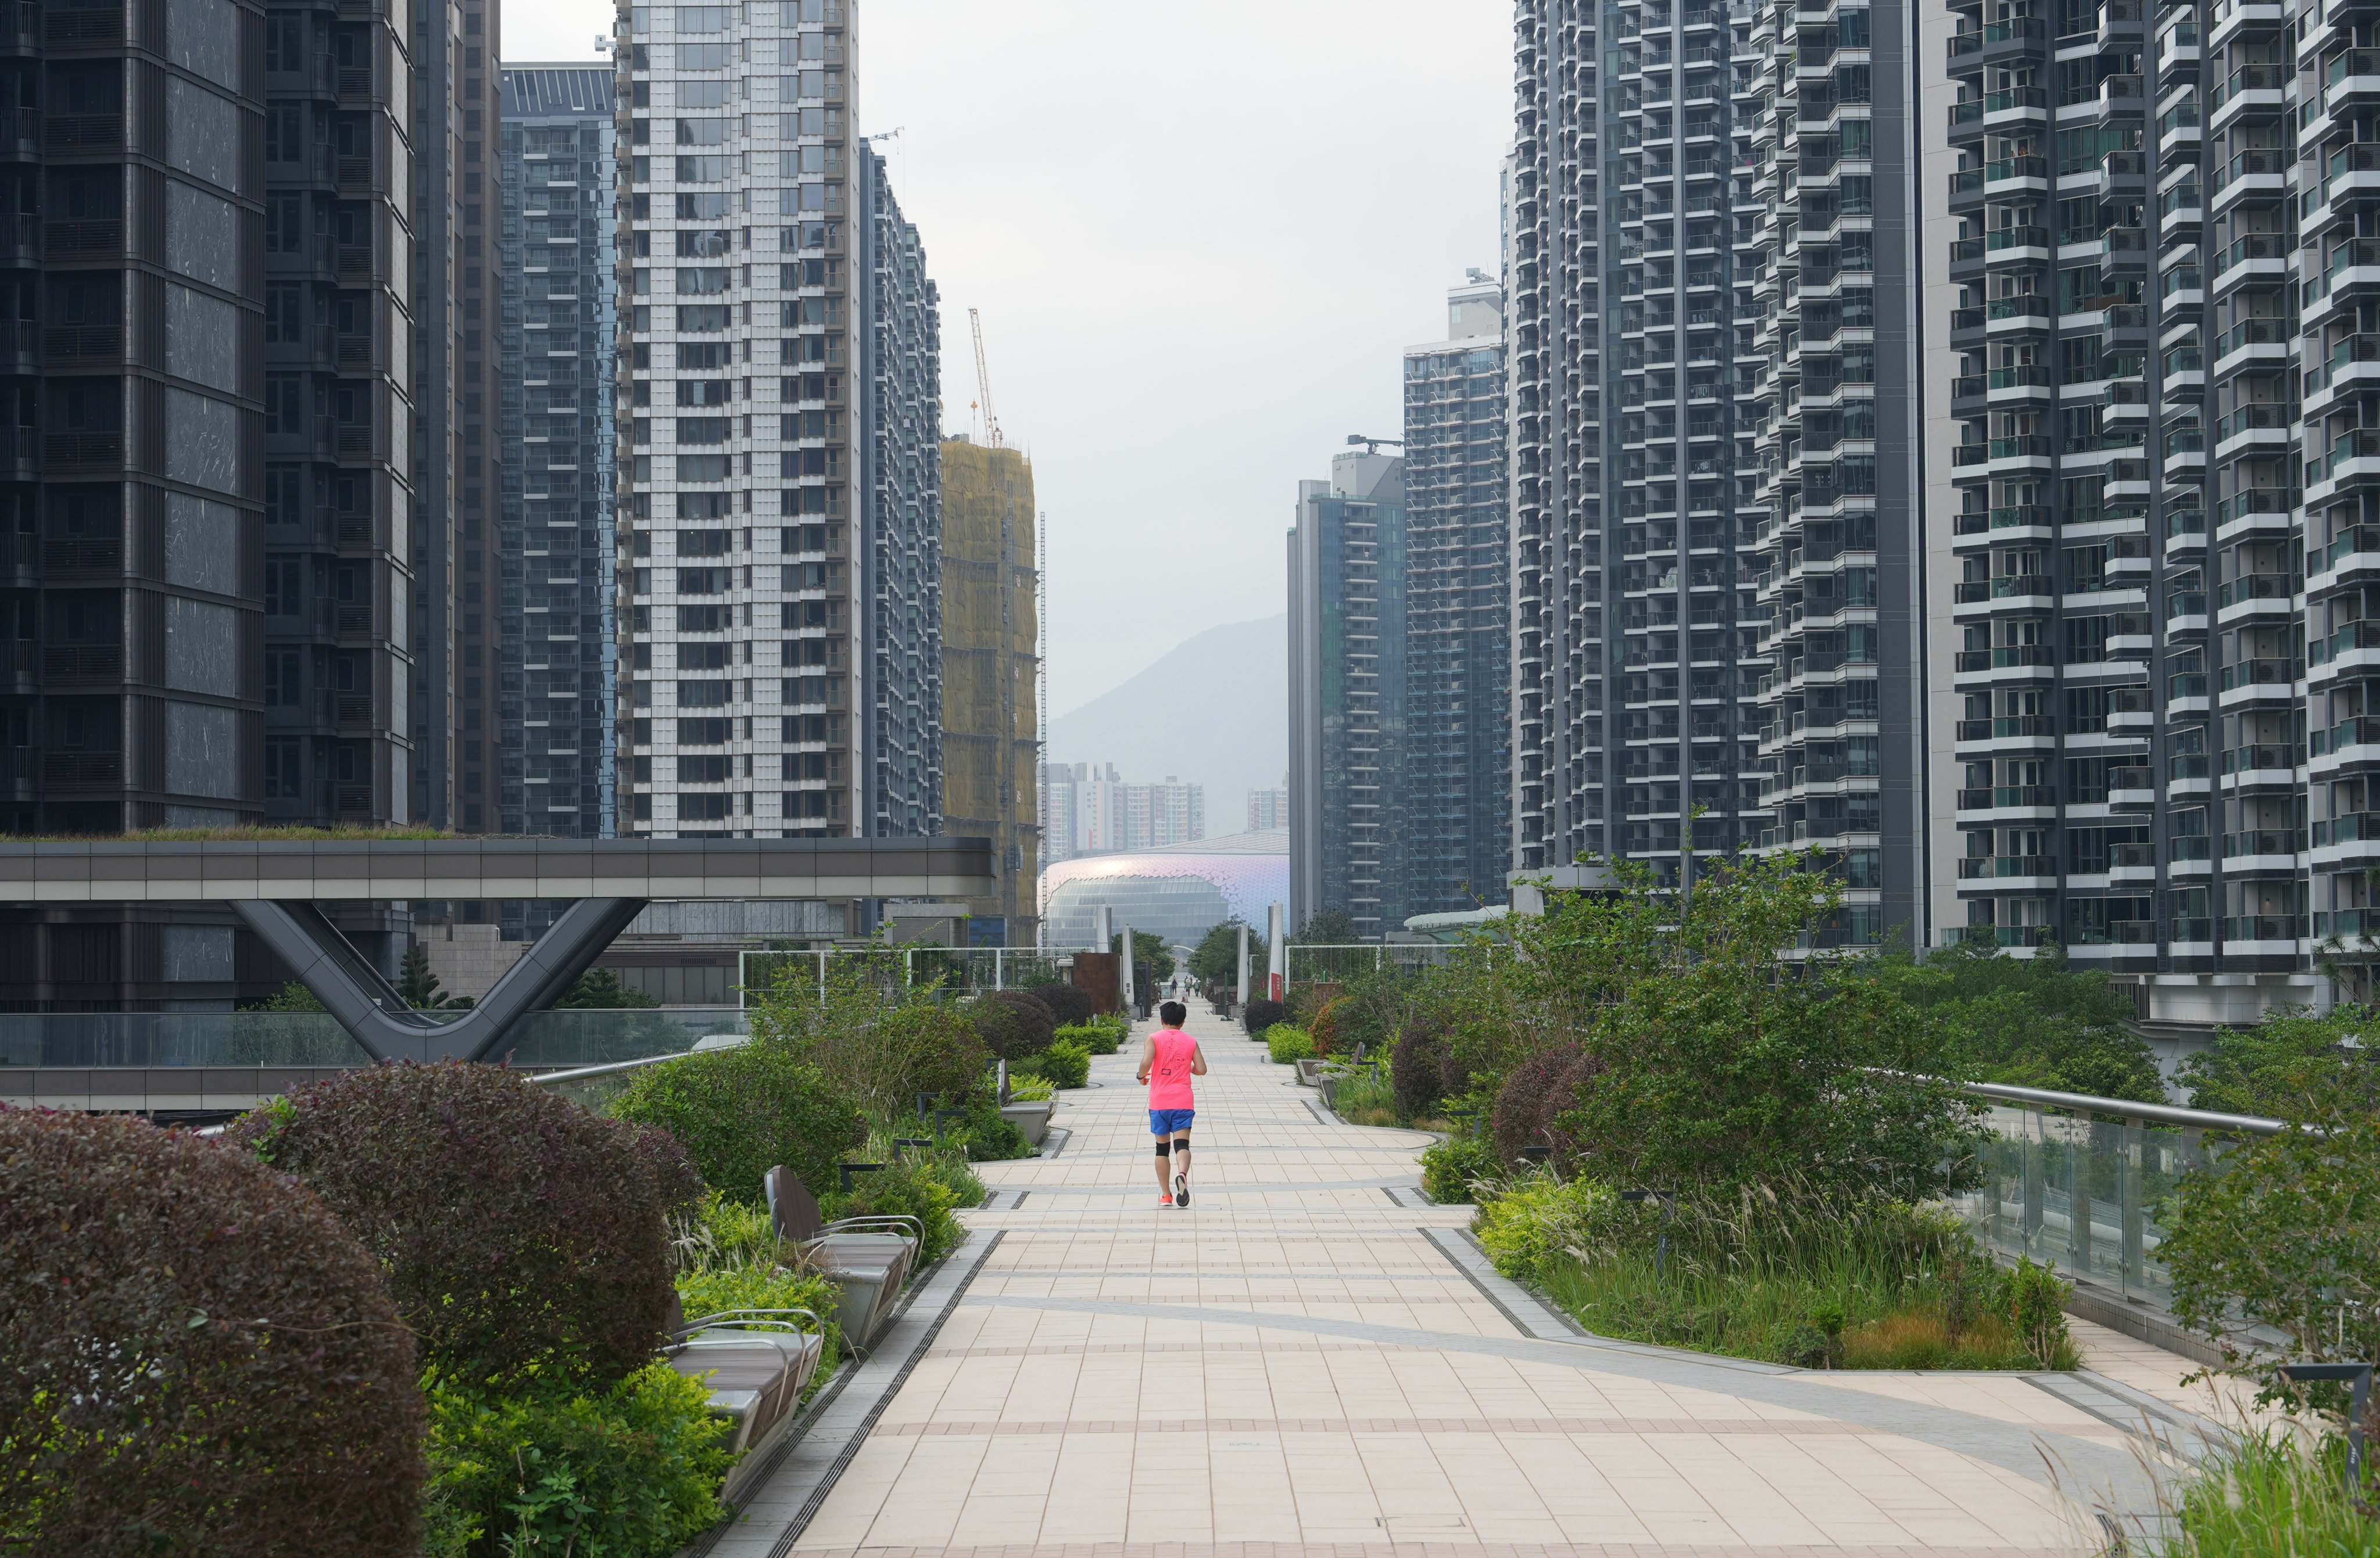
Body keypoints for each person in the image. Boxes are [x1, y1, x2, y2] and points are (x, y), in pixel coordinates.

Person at [1137, 998, 1206, 1208]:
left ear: (1162, 1020)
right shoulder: (1191, 1041)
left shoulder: (1154, 1038)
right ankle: (1183, 1175)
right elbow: (1202, 1069)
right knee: (1182, 1145)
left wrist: (1141, 1077)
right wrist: (1188, 1069)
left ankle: (1166, 1195)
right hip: (1184, 1100)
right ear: (1182, 1023)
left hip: (1160, 1101)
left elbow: (1147, 1062)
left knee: (1162, 1149)